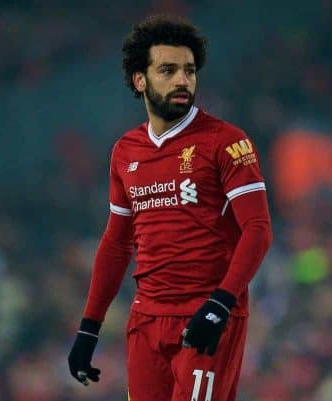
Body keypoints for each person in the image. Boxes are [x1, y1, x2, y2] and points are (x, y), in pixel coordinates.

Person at [67, 15, 272, 401]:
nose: (183, 80)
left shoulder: (226, 142)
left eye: (189, 70)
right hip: (146, 321)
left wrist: (220, 304)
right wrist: (89, 328)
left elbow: (258, 229)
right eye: (168, 70)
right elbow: (116, 244)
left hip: (206, 315)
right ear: (139, 79)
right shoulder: (125, 152)